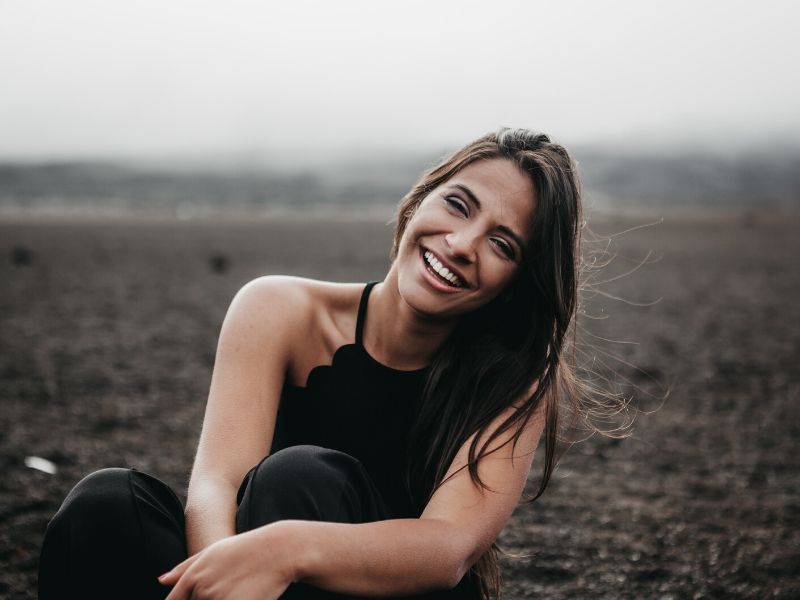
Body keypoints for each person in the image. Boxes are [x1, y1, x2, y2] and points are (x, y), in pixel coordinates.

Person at [38, 127, 586, 600]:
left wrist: (287, 550)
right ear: (420, 199)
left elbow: (449, 548)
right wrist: (233, 573)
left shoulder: (515, 377)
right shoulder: (277, 309)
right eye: (458, 205)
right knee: (107, 506)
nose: (462, 243)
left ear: (517, 286)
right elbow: (216, 483)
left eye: (503, 245)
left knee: (297, 479)